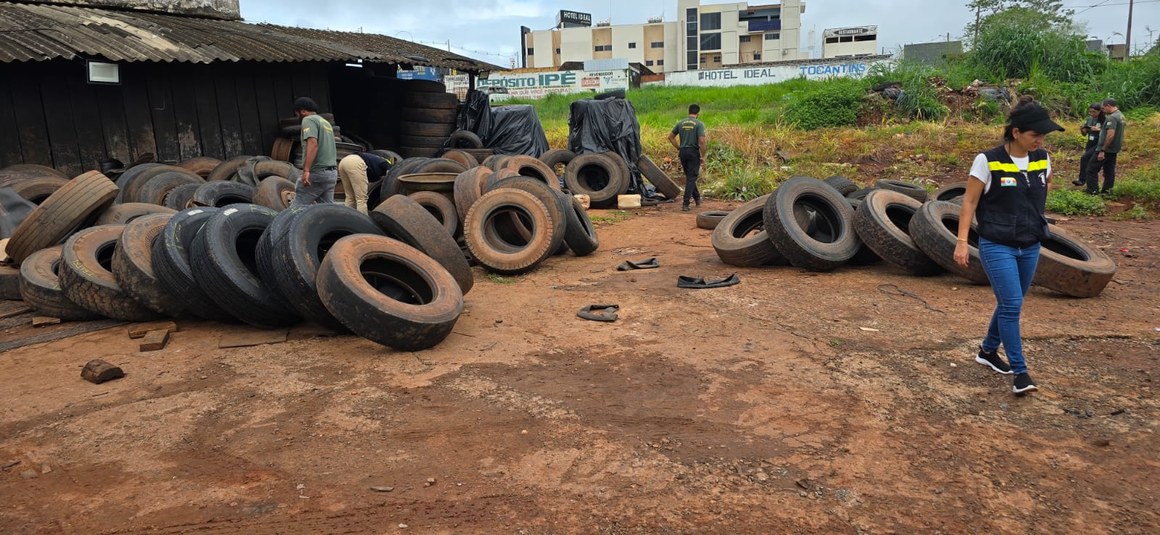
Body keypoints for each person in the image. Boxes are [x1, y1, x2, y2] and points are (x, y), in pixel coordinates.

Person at [955, 96, 1063, 395]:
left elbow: (1046, 183)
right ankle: (1020, 372)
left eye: (1043, 136)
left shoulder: (1042, 157)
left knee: (1009, 303)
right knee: (1013, 304)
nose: (1040, 140)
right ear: (1016, 132)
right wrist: (962, 242)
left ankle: (988, 350)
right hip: (997, 244)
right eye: (1034, 135)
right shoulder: (987, 160)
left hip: (1030, 244)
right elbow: (970, 202)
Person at [290, 97, 338, 207]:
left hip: (317, 173)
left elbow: (313, 144)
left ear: (302, 111)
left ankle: (287, 224)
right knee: (326, 210)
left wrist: (306, 170)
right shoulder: (325, 122)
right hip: (331, 173)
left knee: (297, 208)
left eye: (296, 113)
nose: (297, 116)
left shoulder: (308, 120)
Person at [668, 104, 707, 211]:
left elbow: (670, 137)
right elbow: (702, 141)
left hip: (683, 152)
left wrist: (678, 147)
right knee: (691, 177)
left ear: (688, 112)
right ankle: (685, 203)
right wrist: (703, 155)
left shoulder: (681, 123)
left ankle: (697, 198)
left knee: (690, 176)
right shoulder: (699, 124)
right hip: (693, 152)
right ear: (698, 114)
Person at [1085, 98, 1124, 195]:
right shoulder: (1121, 116)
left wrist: (1102, 150)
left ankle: (1092, 191)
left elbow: (1110, 135)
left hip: (1106, 149)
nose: (1103, 110)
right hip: (1114, 149)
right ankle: (1107, 191)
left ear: (1108, 106)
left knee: (1091, 169)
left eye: (1103, 108)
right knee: (1109, 171)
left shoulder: (1112, 117)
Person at [1071, 103, 1102, 186]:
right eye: (1090, 112)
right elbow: (1084, 134)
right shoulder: (1089, 119)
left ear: (1099, 111)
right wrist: (1083, 129)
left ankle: (1085, 181)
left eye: (1094, 112)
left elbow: (1106, 131)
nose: (1092, 114)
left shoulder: (1103, 119)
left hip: (1098, 142)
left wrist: (1098, 129)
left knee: (1085, 158)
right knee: (1085, 160)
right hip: (1090, 142)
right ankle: (1083, 180)